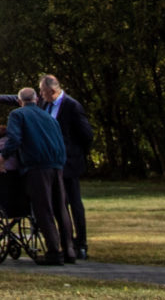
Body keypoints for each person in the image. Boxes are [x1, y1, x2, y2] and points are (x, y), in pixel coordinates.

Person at [2, 86, 70, 265]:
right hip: (57, 165)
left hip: (37, 167)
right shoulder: (49, 117)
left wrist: (2, 159)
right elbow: (60, 140)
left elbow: (14, 139)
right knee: (61, 208)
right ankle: (69, 250)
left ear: (19, 101)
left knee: (44, 209)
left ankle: (54, 252)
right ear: (37, 100)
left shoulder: (18, 115)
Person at [39, 75, 92, 260]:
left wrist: (73, 153)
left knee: (74, 203)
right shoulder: (44, 105)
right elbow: (22, 98)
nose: (41, 95)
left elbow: (86, 134)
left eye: (43, 92)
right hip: (53, 164)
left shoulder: (72, 106)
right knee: (60, 205)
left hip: (69, 163)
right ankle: (66, 243)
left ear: (52, 91)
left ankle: (81, 243)